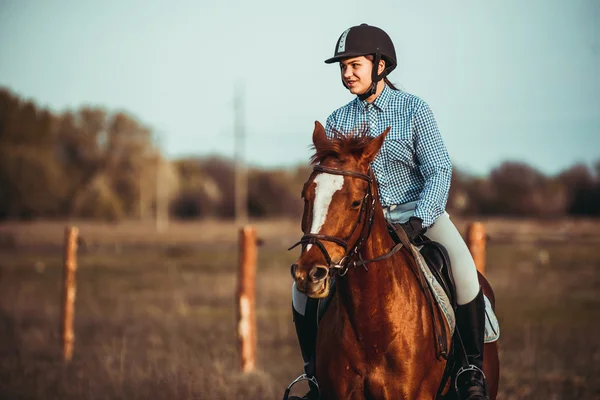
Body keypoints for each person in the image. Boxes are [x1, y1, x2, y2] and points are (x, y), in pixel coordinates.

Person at [287, 23, 489, 400]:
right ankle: (313, 376)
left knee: (464, 271)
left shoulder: (413, 110)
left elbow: (439, 169)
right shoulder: (337, 119)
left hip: (417, 215)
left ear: (380, 65)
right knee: (301, 290)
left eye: (354, 65)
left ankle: (470, 370)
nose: (347, 73)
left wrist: (420, 218)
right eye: (343, 67)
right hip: (357, 225)